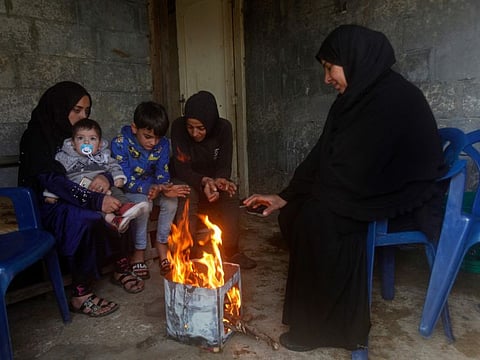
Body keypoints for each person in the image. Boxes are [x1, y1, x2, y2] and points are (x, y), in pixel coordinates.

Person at [244, 25, 447, 352]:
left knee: (318, 218)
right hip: (367, 183)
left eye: (329, 67)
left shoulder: (394, 98)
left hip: (401, 194)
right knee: (296, 211)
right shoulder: (353, 98)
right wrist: (286, 195)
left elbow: (368, 168)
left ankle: (331, 330)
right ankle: (310, 317)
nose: (326, 78)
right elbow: (322, 155)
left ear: (354, 59)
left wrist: (316, 196)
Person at [18, 81, 145, 318]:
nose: (82, 116)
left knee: (121, 203)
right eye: (76, 110)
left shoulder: (80, 136)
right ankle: (81, 293)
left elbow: (102, 162)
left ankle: (120, 266)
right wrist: (96, 202)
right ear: (59, 107)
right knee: (87, 217)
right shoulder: (36, 137)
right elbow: (52, 182)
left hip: (79, 195)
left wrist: (106, 178)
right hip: (47, 204)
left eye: (86, 111)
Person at [171, 90, 257, 269]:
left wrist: (220, 181)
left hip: (213, 181)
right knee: (187, 195)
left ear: (210, 123)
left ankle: (232, 250)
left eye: (201, 128)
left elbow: (224, 164)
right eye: (190, 127)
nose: (195, 133)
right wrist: (204, 181)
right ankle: (188, 252)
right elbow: (181, 168)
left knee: (231, 193)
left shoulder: (224, 128)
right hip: (188, 178)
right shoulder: (178, 127)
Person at [111, 101, 190, 279]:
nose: (153, 142)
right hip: (130, 190)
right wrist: (150, 188)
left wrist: (164, 187)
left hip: (154, 188)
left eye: (157, 138)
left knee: (171, 202)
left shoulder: (162, 144)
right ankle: (139, 250)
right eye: (147, 137)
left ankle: (162, 243)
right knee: (143, 204)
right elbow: (124, 179)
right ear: (134, 128)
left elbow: (163, 171)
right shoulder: (120, 144)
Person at [46, 118, 150, 233]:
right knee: (91, 206)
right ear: (73, 143)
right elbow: (56, 176)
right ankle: (115, 221)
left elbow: (113, 165)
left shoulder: (103, 156)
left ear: (99, 144)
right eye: (80, 138)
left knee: (116, 191)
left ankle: (126, 207)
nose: (86, 142)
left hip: (104, 187)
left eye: (92, 139)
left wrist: (117, 176)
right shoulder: (65, 158)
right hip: (83, 190)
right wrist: (51, 193)